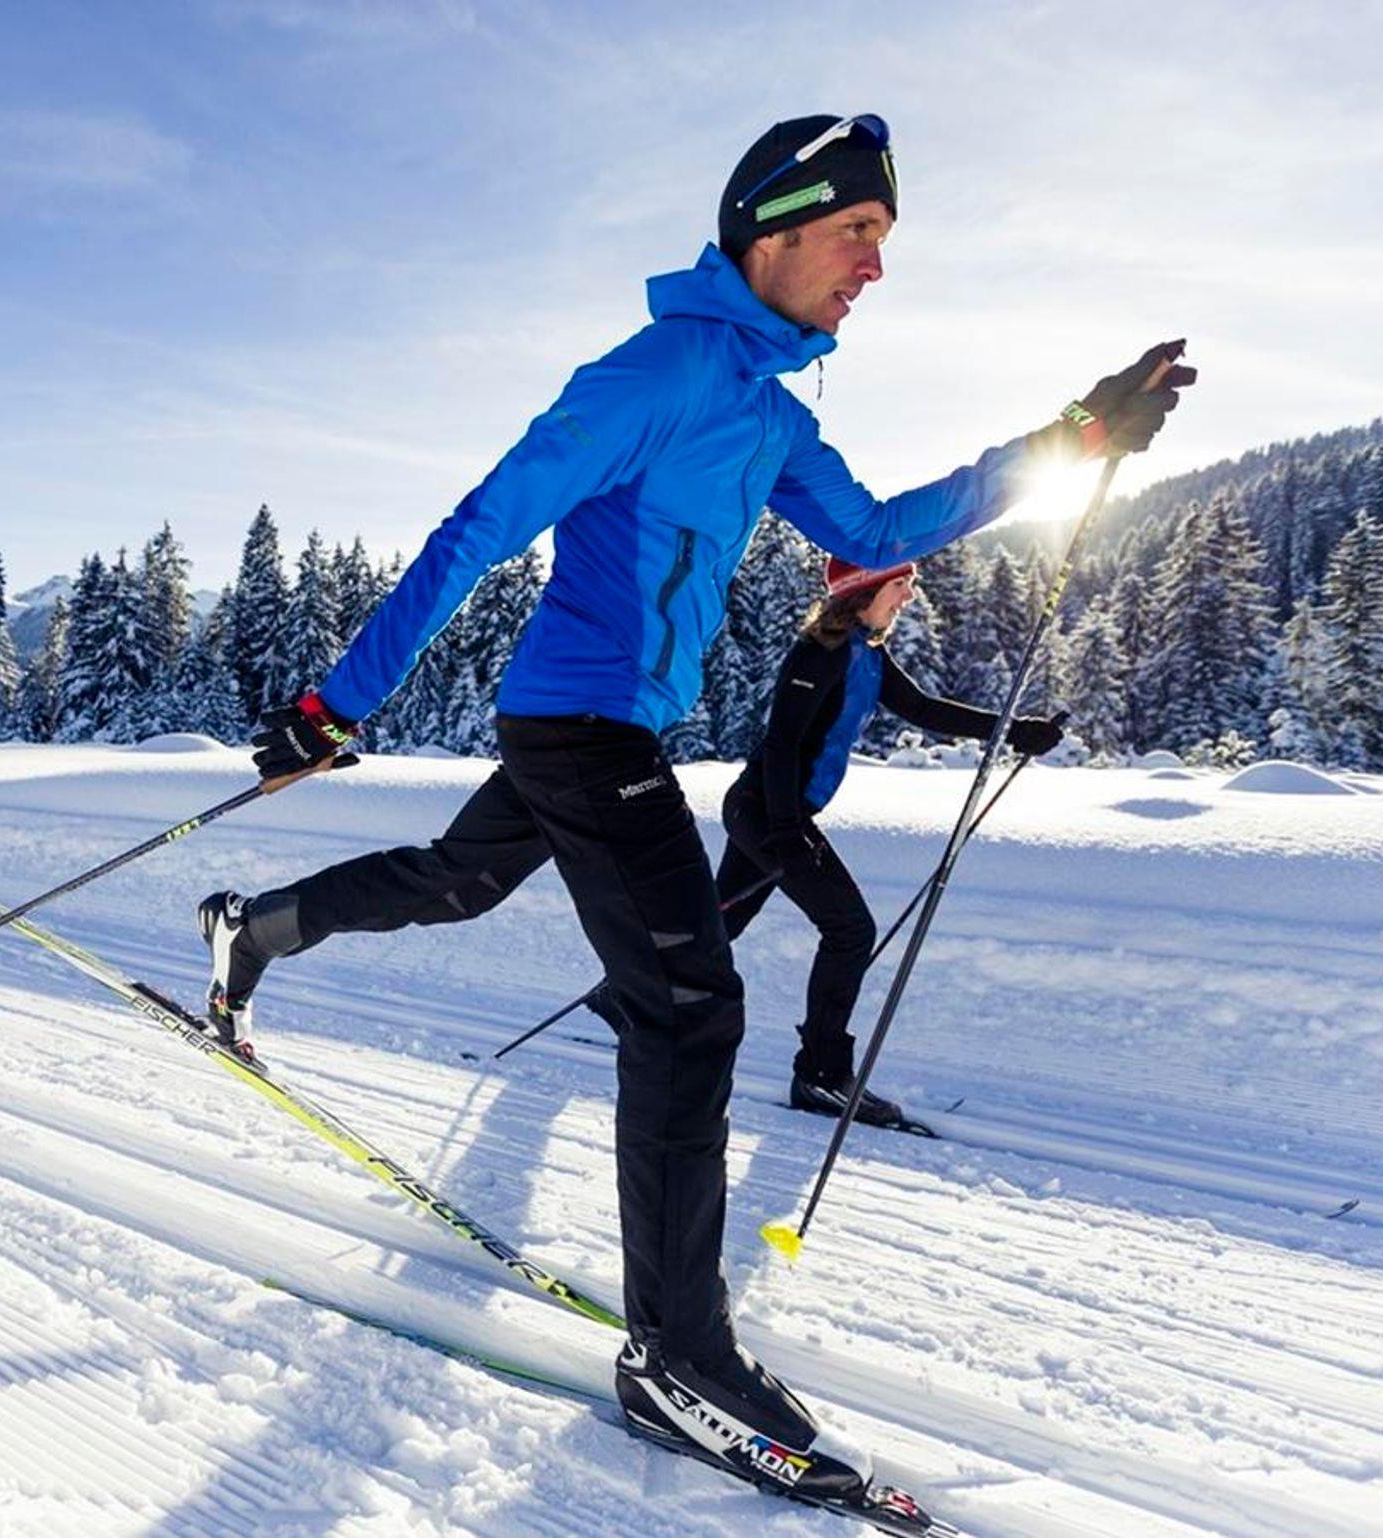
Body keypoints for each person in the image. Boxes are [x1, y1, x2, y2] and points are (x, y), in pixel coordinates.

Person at [199, 112, 1193, 1492]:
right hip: (580, 723)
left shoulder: (771, 414)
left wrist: (1072, 436)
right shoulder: (655, 372)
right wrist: (335, 701)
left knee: (458, 880)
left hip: (600, 725)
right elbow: (481, 523)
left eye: (884, 241)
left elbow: (878, 530)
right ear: (770, 231)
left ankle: (249, 929)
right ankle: (675, 1358)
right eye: (856, 233)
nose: (874, 267)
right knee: (688, 1006)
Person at [715, 556, 1062, 1133]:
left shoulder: (867, 653)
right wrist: (786, 832)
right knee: (850, 929)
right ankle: (820, 1075)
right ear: (863, 590)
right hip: (765, 812)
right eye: (901, 585)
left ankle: (630, 994)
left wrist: (1013, 730)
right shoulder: (818, 654)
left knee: (720, 920)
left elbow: (922, 708)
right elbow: (781, 745)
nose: (909, 597)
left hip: (778, 813)